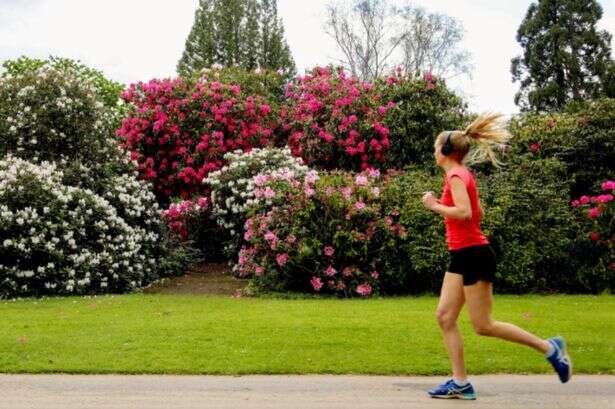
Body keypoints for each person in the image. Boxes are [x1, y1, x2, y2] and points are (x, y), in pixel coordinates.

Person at [420, 113, 572, 400]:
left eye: (435, 146)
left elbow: (465, 213)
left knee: (483, 325)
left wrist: (434, 206)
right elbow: (476, 213)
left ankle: (551, 349)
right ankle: (460, 382)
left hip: (473, 256)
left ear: (445, 151)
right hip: (462, 255)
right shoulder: (461, 175)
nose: (433, 151)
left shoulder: (455, 175)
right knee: (444, 316)